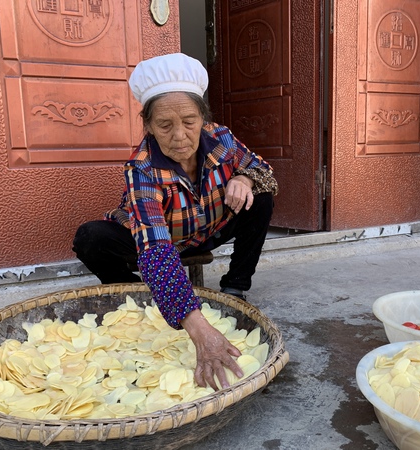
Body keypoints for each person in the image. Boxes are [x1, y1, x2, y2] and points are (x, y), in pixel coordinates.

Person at [72, 53, 278, 390]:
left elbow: (264, 171)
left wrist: (245, 179)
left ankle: (235, 288)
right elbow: (155, 249)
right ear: (149, 126)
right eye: (165, 125)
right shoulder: (142, 169)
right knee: (90, 238)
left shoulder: (221, 138)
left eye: (189, 121)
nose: (179, 135)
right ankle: (144, 298)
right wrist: (199, 330)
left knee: (262, 200)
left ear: (202, 118)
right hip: (161, 240)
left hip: (209, 228)